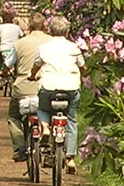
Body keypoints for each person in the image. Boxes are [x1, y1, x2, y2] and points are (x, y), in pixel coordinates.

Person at [29, 16, 85, 174]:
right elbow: (83, 67)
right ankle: (71, 158)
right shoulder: (74, 48)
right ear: (67, 31)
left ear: (50, 30)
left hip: (49, 87)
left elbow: (36, 66)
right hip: (71, 89)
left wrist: (32, 75)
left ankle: (46, 128)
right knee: (71, 119)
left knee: (42, 109)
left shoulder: (44, 48)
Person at [6, 13, 50, 163]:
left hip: (22, 88)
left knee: (13, 117)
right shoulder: (51, 42)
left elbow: (8, 63)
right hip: (46, 87)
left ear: (29, 26)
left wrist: (4, 72)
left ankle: (20, 147)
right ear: (45, 26)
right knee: (51, 114)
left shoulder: (20, 43)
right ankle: (51, 149)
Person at [0, 8, 23, 73]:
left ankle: (3, 72)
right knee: (16, 64)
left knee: (2, 63)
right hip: (15, 49)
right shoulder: (17, 27)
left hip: (4, 49)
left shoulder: (0, 27)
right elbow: (22, 37)